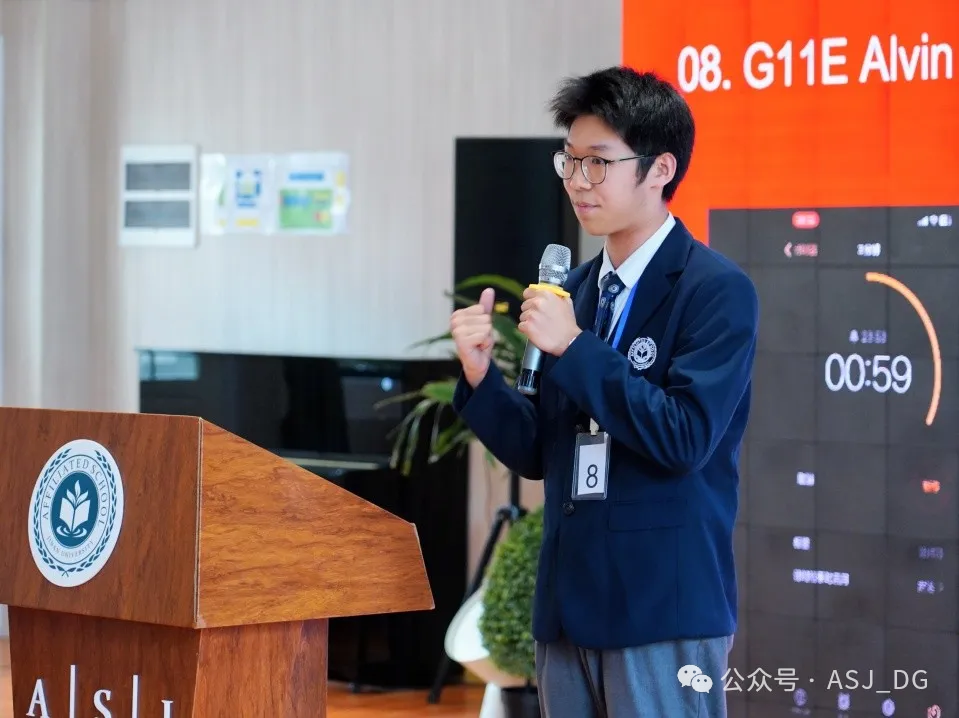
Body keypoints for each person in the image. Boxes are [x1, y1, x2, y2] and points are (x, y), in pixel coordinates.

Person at [449, 66, 758, 717]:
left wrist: (575, 347)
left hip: (662, 608)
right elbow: (539, 451)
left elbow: (683, 438)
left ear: (659, 169)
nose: (578, 181)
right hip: (568, 606)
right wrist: (481, 379)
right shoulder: (576, 290)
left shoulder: (714, 289)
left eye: (598, 162)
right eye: (569, 161)